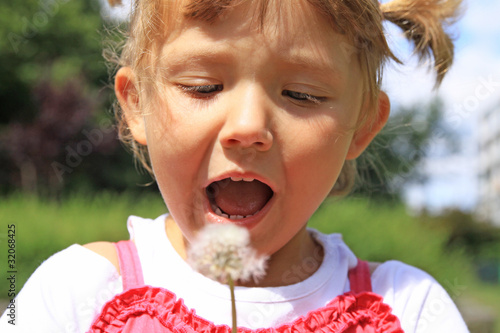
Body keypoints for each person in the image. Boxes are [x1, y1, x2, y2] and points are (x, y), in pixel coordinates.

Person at [1, 0, 469, 332]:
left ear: (363, 125)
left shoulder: (407, 309)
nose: (247, 127)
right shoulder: (78, 293)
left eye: (301, 95)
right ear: (136, 103)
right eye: (202, 86)